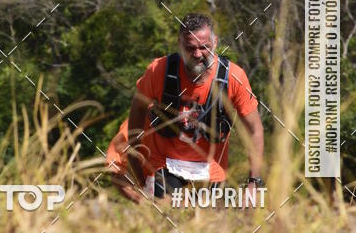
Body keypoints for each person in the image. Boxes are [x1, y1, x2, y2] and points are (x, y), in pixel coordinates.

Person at [107, 12, 264, 203]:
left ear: (215, 42)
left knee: (211, 219)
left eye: (204, 47)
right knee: (169, 213)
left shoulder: (233, 77)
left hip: (211, 170)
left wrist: (254, 182)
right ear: (180, 44)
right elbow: (137, 111)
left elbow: (255, 130)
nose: (197, 55)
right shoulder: (159, 71)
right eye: (190, 48)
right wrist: (138, 174)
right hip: (165, 165)